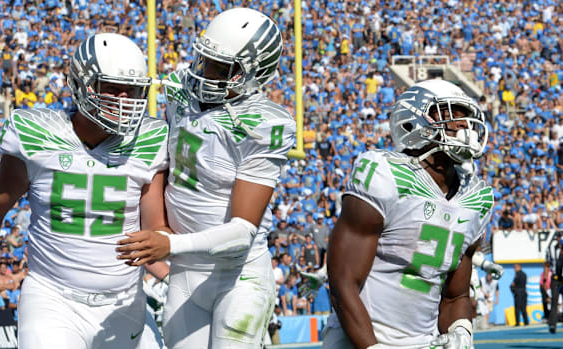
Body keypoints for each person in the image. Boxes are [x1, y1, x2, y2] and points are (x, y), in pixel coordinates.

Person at [0, 33, 169, 349]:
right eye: (112, 88)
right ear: (81, 84)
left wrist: (184, 276)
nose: (124, 100)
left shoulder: (150, 141)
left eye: (133, 91)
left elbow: (152, 232)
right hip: (52, 300)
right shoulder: (38, 135)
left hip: (125, 303)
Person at [117, 7, 295, 348]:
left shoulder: (263, 123)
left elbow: (243, 230)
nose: (205, 72)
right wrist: (159, 227)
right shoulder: (179, 90)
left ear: (253, 73)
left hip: (236, 274)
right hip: (185, 270)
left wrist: (170, 244)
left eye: (220, 67)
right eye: (204, 59)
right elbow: (160, 163)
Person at [324, 79, 493, 348]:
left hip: (423, 342)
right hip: (358, 339)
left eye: (466, 118)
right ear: (412, 120)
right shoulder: (386, 174)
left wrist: (461, 330)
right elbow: (342, 281)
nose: (463, 126)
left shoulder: (477, 198)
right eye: (450, 115)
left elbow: (455, 296)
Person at [547, 233, 563, 333]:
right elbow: (547, 263)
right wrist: (545, 279)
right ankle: (552, 324)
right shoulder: (551, 249)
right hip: (556, 278)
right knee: (554, 301)